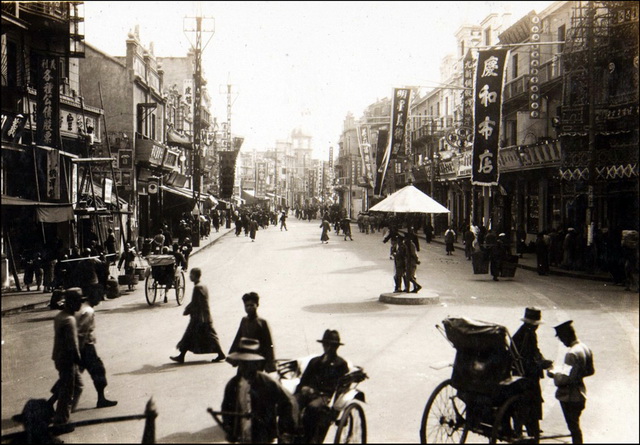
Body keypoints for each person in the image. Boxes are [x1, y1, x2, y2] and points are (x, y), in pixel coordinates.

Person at [221, 337, 299, 444]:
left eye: (249, 363)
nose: (245, 367)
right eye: (242, 363)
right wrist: (229, 426)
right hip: (242, 434)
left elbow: (289, 402)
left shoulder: (267, 382)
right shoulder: (233, 384)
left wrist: (286, 430)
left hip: (263, 435)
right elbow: (227, 408)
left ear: (256, 364)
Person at [51, 291, 118, 409]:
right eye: (99, 296)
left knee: (70, 378)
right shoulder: (89, 311)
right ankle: (100, 399)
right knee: (97, 372)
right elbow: (81, 333)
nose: (100, 299)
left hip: (79, 347)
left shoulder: (82, 308)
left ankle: (50, 403)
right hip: (85, 347)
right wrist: (79, 355)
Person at [295, 330, 349, 444]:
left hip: (324, 396)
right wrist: (302, 389)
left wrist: (317, 392)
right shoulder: (315, 362)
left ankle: (308, 439)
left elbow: (338, 387)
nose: (329, 348)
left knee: (312, 408)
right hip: (308, 393)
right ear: (323, 345)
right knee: (291, 403)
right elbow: (303, 380)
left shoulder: (340, 364)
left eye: (332, 345)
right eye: (326, 344)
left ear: (336, 347)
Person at [547, 321, 594, 444]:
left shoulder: (571, 354)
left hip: (570, 397)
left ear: (566, 336)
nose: (562, 342)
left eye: (562, 338)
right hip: (581, 393)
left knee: (573, 427)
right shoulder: (584, 348)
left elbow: (564, 379)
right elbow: (590, 371)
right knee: (575, 426)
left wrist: (553, 373)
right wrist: (577, 375)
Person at [511, 307, 553, 439]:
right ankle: (532, 431)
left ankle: (522, 428)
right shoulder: (528, 334)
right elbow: (527, 357)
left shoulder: (523, 332)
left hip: (519, 372)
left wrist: (541, 359)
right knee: (532, 403)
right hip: (526, 375)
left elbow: (535, 351)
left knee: (522, 405)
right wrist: (542, 364)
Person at [171, 268, 226, 363]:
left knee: (192, 335)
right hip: (204, 316)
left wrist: (187, 310)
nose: (190, 277)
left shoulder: (197, 287)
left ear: (195, 275)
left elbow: (195, 303)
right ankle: (181, 356)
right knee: (197, 335)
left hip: (200, 318)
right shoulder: (203, 285)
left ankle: (221, 353)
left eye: (191, 275)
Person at [50, 288, 84, 429]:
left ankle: (60, 412)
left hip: (59, 357)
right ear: (71, 303)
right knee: (68, 391)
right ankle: (62, 420)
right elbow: (72, 345)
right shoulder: (69, 321)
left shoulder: (60, 316)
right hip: (67, 360)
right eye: (78, 302)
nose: (80, 305)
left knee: (76, 385)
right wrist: (79, 361)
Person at [229, 292, 276, 373]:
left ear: (257, 305)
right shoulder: (244, 320)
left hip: (257, 359)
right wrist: (233, 355)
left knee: (256, 380)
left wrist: (270, 362)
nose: (249, 308)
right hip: (243, 358)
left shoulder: (262, 322)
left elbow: (269, 343)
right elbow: (238, 337)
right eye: (246, 306)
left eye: (252, 305)